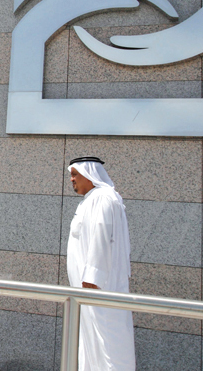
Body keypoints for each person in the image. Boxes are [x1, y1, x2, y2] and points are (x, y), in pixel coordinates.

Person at [67, 156, 136, 371]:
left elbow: (102, 236)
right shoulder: (91, 199)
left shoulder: (104, 198)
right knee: (91, 339)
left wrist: (92, 277)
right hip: (88, 289)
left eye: (75, 174)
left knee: (108, 340)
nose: (71, 179)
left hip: (98, 287)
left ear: (89, 174)